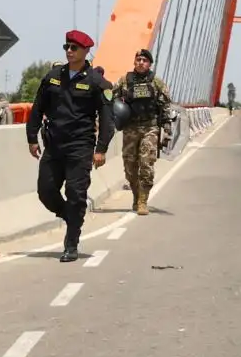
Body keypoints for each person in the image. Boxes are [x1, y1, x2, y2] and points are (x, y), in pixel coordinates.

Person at [26, 32, 113, 263]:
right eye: (67, 46)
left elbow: (107, 119)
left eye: (74, 47)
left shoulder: (97, 82)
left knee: (76, 194)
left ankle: (71, 243)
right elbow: (37, 108)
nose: (69, 51)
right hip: (53, 145)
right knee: (45, 192)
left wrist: (101, 148)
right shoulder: (53, 77)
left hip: (80, 146)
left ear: (85, 51)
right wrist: (31, 137)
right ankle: (71, 217)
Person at [115, 48, 174, 216]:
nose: (141, 62)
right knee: (129, 167)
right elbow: (111, 99)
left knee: (146, 164)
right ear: (134, 62)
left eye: (144, 60)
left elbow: (166, 106)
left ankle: (143, 200)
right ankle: (135, 194)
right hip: (130, 128)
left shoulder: (156, 82)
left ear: (149, 64)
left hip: (150, 127)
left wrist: (167, 130)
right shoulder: (124, 81)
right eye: (138, 59)